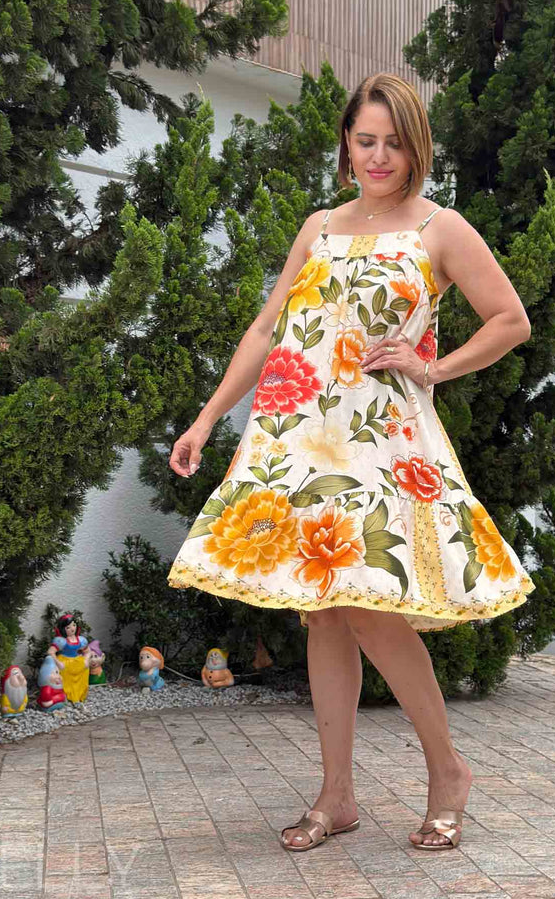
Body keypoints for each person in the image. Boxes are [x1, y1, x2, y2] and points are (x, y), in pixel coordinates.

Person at [168, 73, 535, 852]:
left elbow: (510, 320)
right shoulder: (320, 227)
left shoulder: (439, 228)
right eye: (365, 140)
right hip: (300, 439)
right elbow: (267, 331)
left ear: (415, 148)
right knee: (325, 611)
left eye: (393, 143)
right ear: (346, 142)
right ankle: (336, 796)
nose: (378, 156)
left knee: (370, 608)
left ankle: (448, 771)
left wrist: (434, 368)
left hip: (381, 445)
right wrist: (205, 419)